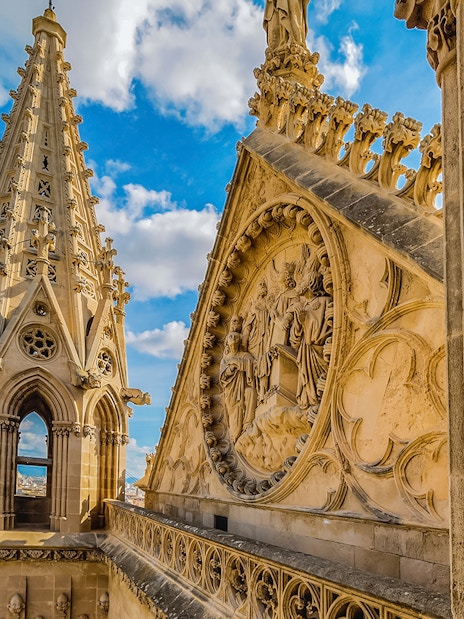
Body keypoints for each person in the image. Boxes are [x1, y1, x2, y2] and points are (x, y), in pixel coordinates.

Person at [287, 272, 332, 411]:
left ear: (311, 284)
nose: (298, 285)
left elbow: (329, 326)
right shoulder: (301, 309)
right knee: (310, 390)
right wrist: (299, 323)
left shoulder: (325, 301)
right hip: (306, 354)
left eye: (302, 282)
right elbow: (294, 342)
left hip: (320, 350)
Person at [220, 331, 257, 441]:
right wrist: (231, 368)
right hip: (231, 390)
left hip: (244, 386)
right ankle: (235, 435)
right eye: (230, 337)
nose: (233, 338)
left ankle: (248, 422)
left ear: (239, 341)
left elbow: (253, 364)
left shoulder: (245, 355)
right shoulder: (225, 360)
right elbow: (222, 377)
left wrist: (238, 363)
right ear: (226, 342)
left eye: (235, 337)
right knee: (234, 410)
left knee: (251, 393)